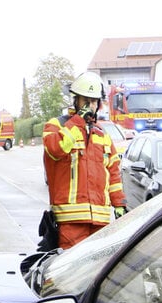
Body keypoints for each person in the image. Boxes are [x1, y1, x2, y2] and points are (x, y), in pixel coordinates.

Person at [42, 71, 126, 249]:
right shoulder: (57, 126)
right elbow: (55, 149)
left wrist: (119, 203)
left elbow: (113, 174)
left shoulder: (102, 135)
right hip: (70, 222)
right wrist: (77, 122)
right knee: (71, 274)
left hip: (100, 222)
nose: (90, 105)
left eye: (94, 101)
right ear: (76, 100)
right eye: (86, 100)